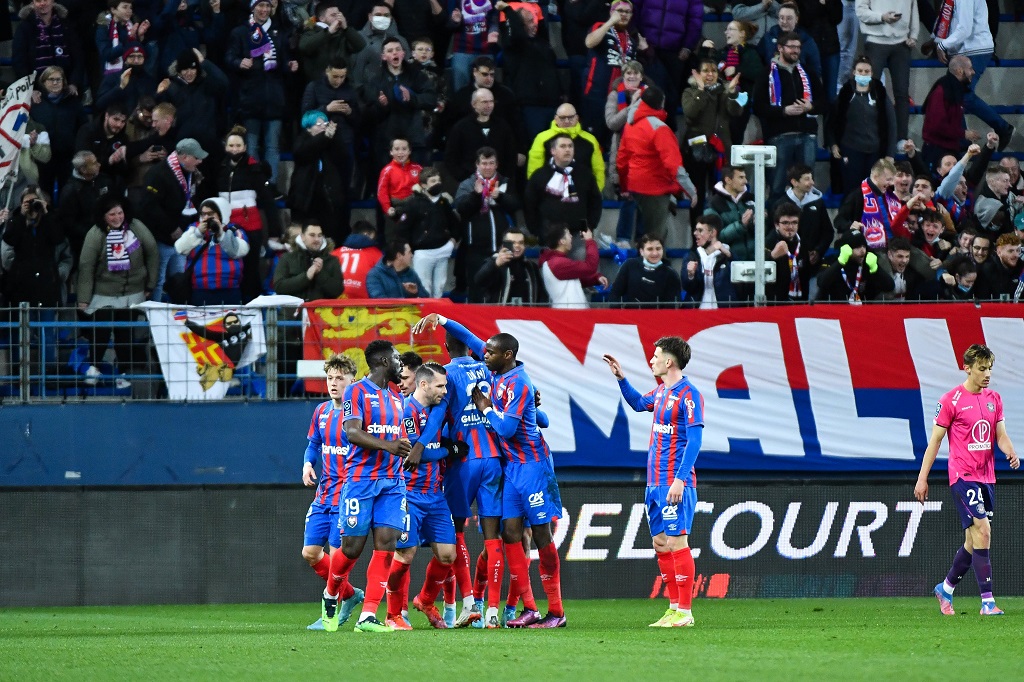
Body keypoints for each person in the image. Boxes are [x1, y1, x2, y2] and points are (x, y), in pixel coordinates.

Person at [412, 313, 568, 629]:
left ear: (505, 355)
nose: (484, 352)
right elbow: (545, 421)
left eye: (490, 351)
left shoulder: (508, 381)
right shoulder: (490, 370)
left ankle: (540, 610)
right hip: (502, 465)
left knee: (522, 534)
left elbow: (505, 427)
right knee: (506, 534)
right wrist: (441, 318)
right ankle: (509, 610)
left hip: (514, 466)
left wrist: (423, 444)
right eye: (482, 349)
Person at [603, 336, 703, 628]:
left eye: (656, 355)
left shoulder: (689, 394)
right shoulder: (661, 393)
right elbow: (637, 403)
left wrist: (680, 480)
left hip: (674, 482)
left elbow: (694, 442)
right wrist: (621, 379)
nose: (652, 359)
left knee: (676, 540)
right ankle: (673, 608)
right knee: (660, 543)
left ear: (669, 361)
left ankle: (685, 611)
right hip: (654, 483)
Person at [915, 344, 1019, 617]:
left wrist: (1009, 450)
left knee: (974, 541)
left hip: (987, 478)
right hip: (962, 476)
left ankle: (946, 588)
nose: (987, 374)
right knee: (983, 530)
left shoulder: (994, 398)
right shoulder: (951, 400)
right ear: (968, 368)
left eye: (989, 369)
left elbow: (1000, 435)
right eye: (982, 369)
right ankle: (987, 601)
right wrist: (922, 478)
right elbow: (935, 442)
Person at [320, 340, 412, 633]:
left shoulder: (396, 397)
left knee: (387, 543)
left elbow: (401, 439)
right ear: (385, 361)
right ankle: (331, 594)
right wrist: (390, 445)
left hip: (393, 482)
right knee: (352, 547)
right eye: (397, 358)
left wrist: (407, 451)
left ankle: (368, 616)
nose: (401, 363)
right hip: (361, 481)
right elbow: (352, 432)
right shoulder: (357, 391)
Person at [385, 362, 457, 630]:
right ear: (424, 385)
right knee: (405, 555)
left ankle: (425, 600)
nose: (444, 390)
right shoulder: (405, 410)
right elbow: (418, 453)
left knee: (448, 555)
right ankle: (393, 614)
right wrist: (450, 450)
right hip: (409, 493)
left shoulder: (439, 408)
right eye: (440, 386)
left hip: (435, 494)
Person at [302, 353, 361, 631]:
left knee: (338, 558)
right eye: (330, 378)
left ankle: (332, 611)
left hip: (347, 496)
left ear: (353, 381)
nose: (333, 383)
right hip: (324, 494)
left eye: (340, 378)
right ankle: (350, 595)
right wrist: (306, 464)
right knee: (311, 553)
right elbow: (313, 443)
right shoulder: (322, 411)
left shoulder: (359, 415)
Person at [76, 194, 158, 385]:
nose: (117, 217)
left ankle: (123, 372)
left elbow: (152, 251)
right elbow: (86, 266)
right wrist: (83, 298)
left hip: (133, 292)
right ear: (103, 216)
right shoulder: (95, 234)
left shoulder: (136, 227)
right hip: (104, 293)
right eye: (112, 214)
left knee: (125, 335)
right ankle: (93, 368)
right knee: (101, 333)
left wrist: (150, 284)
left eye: (120, 213)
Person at [225, 0, 298, 185]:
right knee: (251, 146)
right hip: (251, 97)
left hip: (274, 98)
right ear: (252, 7)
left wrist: (290, 65)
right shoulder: (240, 32)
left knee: (273, 146)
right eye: (260, 6)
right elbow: (229, 57)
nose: (264, 10)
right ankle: (253, 184)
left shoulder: (280, 32)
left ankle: (270, 186)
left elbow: (284, 61)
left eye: (268, 6)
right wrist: (239, 62)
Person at [616, 86, 698, 244]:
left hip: (635, 186)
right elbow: (674, 166)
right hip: (655, 189)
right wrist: (690, 190)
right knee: (656, 240)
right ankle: (654, 268)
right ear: (662, 103)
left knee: (645, 239)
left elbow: (622, 160)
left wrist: (625, 186)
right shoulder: (660, 129)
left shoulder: (630, 125)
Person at [926, 0, 1012, 149]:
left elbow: (964, 29)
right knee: (952, 98)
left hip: (975, 50)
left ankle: (1000, 128)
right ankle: (961, 142)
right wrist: (935, 41)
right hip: (962, 52)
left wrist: (942, 45)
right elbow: (946, 20)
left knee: (961, 96)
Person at [752, 31, 824, 197]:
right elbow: (758, 107)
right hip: (780, 136)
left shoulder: (809, 72)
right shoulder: (766, 74)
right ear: (780, 48)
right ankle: (776, 222)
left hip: (807, 136)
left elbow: (824, 103)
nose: (796, 51)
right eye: (791, 47)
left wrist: (810, 107)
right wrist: (783, 111)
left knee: (807, 188)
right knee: (777, 187)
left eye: (798, 47)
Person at [216, 126, 281, 302]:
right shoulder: (219, 169)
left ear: (245, 147)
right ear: (226, 147)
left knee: (250, 269)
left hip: (250, 227)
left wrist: (275, 232)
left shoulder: (255, 169)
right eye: (231, 145)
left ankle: (252, 304)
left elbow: (268, 202)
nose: (234, 149)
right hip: (227, 227)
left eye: (238, 145)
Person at [141, 137, 206, 303]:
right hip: (161, 238)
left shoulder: (190, 174)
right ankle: (154, 322)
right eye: (196, 158)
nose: (200, 161)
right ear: (184, 157)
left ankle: (179, 317)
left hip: (180, 237)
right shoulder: (158, 173)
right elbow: (149, 206)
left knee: (179, 279)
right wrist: (171, 228)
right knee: (158, 279)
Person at [454, 148, 521, 302]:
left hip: (503, 247)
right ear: (477, 165)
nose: (488, 167)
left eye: (491, 163)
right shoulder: (468, 184)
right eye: (484, 163)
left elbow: (516, 205)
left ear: (497, 164)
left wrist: (500, 197)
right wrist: (476, 195)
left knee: (503, 288)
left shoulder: (505, 183)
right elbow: (461, 208)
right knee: (477, 290)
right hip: (475, 249)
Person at [681, 59, 744, 219]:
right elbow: (690, 112)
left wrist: (731, 93)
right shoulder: (690, 91)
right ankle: (698, 236)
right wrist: (701, 91)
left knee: (721, 193)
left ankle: (719, 236)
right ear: (698, 74)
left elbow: (737, 112)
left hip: (721, 150)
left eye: (714, 71)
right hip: (697, 151)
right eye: (706, 71)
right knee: (698, 193)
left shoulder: (725, 91)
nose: (710, 75)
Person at [827, 57, 897, 194]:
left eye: (866, 71)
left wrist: (890, 153)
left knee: (874, 192)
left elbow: (892, 125)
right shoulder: (845, 95)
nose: (863, 74)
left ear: (871, 73)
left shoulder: (880, 95)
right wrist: (833, 143)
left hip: (875, 151)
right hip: (851, 150)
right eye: (860, 71)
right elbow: (831, 122)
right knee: (852, 192)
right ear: (854, 72)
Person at [581, 1, 645, 145]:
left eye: (627, 12)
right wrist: (610, 22)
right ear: (611, 11)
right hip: (596, 92)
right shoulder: (600, 26)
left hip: (620, 95)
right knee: (593, 138)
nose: (623, 14)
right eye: (620, 11)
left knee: (615, 140)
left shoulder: (631, 38)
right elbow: (589, 43)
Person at [855, 0, 915, 144]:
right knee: (868, 91)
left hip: (902, 43)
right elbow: (861, 11)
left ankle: (901, 138)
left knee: (902, 94)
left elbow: (914, 9)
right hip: (875, 41)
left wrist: (913, 35)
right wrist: (881, 17)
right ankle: (867, 135)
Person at [395, 168, 460, 298]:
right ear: (424, 185)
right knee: (424, 287)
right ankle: (425, 316)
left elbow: (455, 224)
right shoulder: (413, 203)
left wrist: (452, 242)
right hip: (422, 253)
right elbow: (402, 229)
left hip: (442, 251)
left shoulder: (443, 202)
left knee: (440, 288)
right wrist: (409, 248)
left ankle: (437, 316)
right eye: (433, 181)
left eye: (439, 180)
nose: (437, 184)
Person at [173, 197, 250, 306]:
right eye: (203, 214)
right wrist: (198, 234)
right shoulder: (194, 229)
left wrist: (221, 234)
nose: (206, 218)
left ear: (221, 214)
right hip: (200, 291)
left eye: (210, 214)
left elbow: (240, 251)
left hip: (230, 290)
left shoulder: (234, 230)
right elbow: (179, 248)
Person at [524, 134, 602, 239]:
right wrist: (537, 231)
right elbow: (529, 204)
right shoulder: (540, 175)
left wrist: (590, 226)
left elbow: (595, 202)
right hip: (549, 235)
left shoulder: (585, 174)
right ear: (553, 151)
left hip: (579, 234)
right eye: (563, 146)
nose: (567, 150)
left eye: (570, 146)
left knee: (582, 254)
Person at [290, 110, 351, 244]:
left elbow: (344, 156)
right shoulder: (302, 140)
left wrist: (334, 137)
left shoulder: (331, 140)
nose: (323, 126)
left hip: (328, 198)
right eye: (318, 124)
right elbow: (301, 153)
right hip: (306, 198)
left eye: (325, 123)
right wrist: (324, 138)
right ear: (308, 128)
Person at [31, 65, 87, 197]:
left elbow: (84, 127)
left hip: (67, 158)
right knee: (43, 196)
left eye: (59, 79)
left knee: (67, 195)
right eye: (51, 79)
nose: (55, 83)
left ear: (64, 81)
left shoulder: (73, 102)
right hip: (43, 159)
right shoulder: (35, 103)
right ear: (43, 82)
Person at [774, 164, 834, 283]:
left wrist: (818, 251)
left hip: (812, 266)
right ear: (794, 182)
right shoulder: (780, 204)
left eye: (812, 178)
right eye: (807, 179)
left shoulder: (818, 203)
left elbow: (828, 232)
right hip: (786, 265)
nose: (812, 183)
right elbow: (774, 233)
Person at [444, 88, 517, 186]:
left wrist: (505, 178)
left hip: (499, 183)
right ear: (474, 104)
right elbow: (451, 157)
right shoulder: (461, 127)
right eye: (484, 102)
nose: (489, 105)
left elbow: (511, 155)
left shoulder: (503, 126)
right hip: (469, 183)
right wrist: (464, 179)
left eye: (491, 101)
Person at [526, 104, 606, 192]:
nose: (567, 121)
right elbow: (534, 170)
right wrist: (538, 193)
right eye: (562, 118)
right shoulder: (542, 138)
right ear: (555, 119)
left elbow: (598, 170)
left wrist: (596, 192)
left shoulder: (590, 140)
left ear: (577, 118)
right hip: (549, 195)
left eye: (570, 117)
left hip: (583, 195)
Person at [13, 0, 85, 93]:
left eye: (46, 0)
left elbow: (78, 56)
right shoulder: (24, 28)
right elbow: (19, 61)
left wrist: (74, 83)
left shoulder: (66, 24)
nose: (43, 3)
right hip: (37, 91)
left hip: (66, 87)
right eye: (38, 1)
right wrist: (30, 90)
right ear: (32, 3)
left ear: (53, 1)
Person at [56, 151, 115, 265]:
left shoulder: (104, 180)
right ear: (83, 170)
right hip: (83, 243)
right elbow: (68, 223)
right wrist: (93, 234)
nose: (99, 164)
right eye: (94, 163)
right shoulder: (70, 191)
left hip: (109, 234)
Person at [921, 56, 977, 170]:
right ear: (960, 71)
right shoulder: (942, 91)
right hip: (936, 153)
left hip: (949, 150)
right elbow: (936, 126)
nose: (973, 72)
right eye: (970, 68)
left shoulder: (955, 89)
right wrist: (963, 134)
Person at [538, 223, 608, 309]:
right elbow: (591, 266)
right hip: (569, 314)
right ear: (562, 241)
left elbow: (573, 281)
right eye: (568, 234)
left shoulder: (555, 261)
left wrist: (595, 279)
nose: (571, 236)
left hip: (569, 313)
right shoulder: (557, 263)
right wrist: (590, 241)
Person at [834, 157, 899, 249]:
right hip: (869, 249)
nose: (892, 183)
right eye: (888, 179)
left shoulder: (890, 194)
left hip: (895, 245)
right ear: (876, 176)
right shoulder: (857, 195)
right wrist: (850, 225)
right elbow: (838, 220)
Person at [718, 20, 764, 145]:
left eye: (731, 29)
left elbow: (758, 73)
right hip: (722, 100)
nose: (726, 32)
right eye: (726, 29)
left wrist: (737, 70)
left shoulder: (750, 52)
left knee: (734, 137)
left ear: (742, 34)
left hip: (741, 103)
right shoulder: (723, 53)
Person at [814, 229, 894, 301]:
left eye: (864, 246)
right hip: (836, 311)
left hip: (862, 312)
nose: (862, 250)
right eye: (858, 247)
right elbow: (821, 282)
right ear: (846, 248)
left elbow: (890, 286)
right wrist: (840, 263)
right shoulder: (831, 260)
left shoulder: (867, 263)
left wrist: (876, 269)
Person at [273, 223, 345, 301]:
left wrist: (320, 273)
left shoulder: (332, 260)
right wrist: (306, 276)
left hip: (322, 311)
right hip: (294, 311)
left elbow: (337, 291)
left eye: (319, 235)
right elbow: (279, 287)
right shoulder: (287, 258)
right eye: (312, 235)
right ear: (303, 237)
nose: (317, 239)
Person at [473, 228, 546, 305]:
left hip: (526, 315)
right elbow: (479, 280)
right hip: (499, 315)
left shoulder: (531, 266)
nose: (517, 246)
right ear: (503, 245)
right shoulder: (494, 262)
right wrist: (495, 264)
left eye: (521, 243)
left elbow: (541, 295)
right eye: (512, 243)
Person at [298, 2, 367, 82]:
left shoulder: (344, 33)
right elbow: (304, 47)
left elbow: (361, 45)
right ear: (322, 18)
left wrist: (346, 29)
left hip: (343, 83)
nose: (338, 19)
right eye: (333, 15)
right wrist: (328, 32)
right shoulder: (311, 31)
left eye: (339, 15)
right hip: (320, 83)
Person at [608, 233, 681, 307]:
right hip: (631, 317)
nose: (655, 253)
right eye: (650, 249)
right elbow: (615, 294)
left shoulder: (671, 274)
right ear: (641, 251)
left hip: (658, 317)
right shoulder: (630, 265)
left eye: (658, 249)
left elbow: (672, 305)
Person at [681, 214, 735, 308]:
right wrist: (690, 275)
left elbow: (740, 283)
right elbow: (687, 287)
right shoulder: (692, 256)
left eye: (700, 230)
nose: (695, 233)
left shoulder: (728, 255)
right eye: (695, 229)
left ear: (713, 233)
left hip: (723, 314)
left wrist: (729, 256)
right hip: (698, 313)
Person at [705, 165, 757, 260]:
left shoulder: (750, 199)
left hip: (754, 261)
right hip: (728, 264)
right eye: (741, 177)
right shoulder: (714, 204)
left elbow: (764, 232)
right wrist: (741, 225)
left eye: (745, 177)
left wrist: (758, 223)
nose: (745, 181)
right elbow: (714, 236)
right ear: (728, 180)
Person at [377, 137, 423, 241]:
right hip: (395, 212)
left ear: (409, 151)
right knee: (394, 242)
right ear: (391, 152)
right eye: (397, 149)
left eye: (404, 149)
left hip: (414, 210)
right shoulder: (387, 170)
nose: (400, 152)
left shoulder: (418, 168)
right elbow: (381, 192)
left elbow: (425, 187)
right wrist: (388, 208)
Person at [764, 201, 810, 301]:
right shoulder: (768, 242)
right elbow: (759, 273)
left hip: (800, 301)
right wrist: (772, 257)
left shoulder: (802, 243)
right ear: (777, 225)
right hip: (775, 303)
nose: (790, 227)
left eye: (794, 222)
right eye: (785, 223)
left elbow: (806, 274)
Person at [331, 221, 384, 298]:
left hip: (333, 304)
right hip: (364, 304)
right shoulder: (376, 254)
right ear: (368, 234)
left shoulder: (335, 253)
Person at [976, 232, 1023, 301]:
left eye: (1017, 250)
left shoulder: (1022, 268)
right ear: (999, 252)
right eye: (1011, 251)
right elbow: (983, 302)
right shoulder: (986, 271)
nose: (1016, 255)